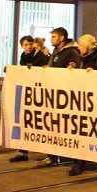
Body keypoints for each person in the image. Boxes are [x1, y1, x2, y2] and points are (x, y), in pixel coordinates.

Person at [69, 34, 97, 177]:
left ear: (87, 47)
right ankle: (79, 162)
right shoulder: (82, 59)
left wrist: (96, 74)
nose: (78, 48)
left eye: (81, 46)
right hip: (84, 102)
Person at [40, 27, 81, 167]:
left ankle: (72, 157)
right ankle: (52, 155)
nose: (52, 39)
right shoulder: (56, 52)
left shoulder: (72, 52)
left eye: (54, 36)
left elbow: (75, 71)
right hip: (55, 94)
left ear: (61, 38)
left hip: (66, 96)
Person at [9, 36, 43, 163]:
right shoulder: (24, 56)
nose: (28, 47)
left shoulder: (40, 56)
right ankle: (22, 151)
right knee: (23, 122)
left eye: (30, 44)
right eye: (25, 45)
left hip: (38, 93)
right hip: (27, 94)